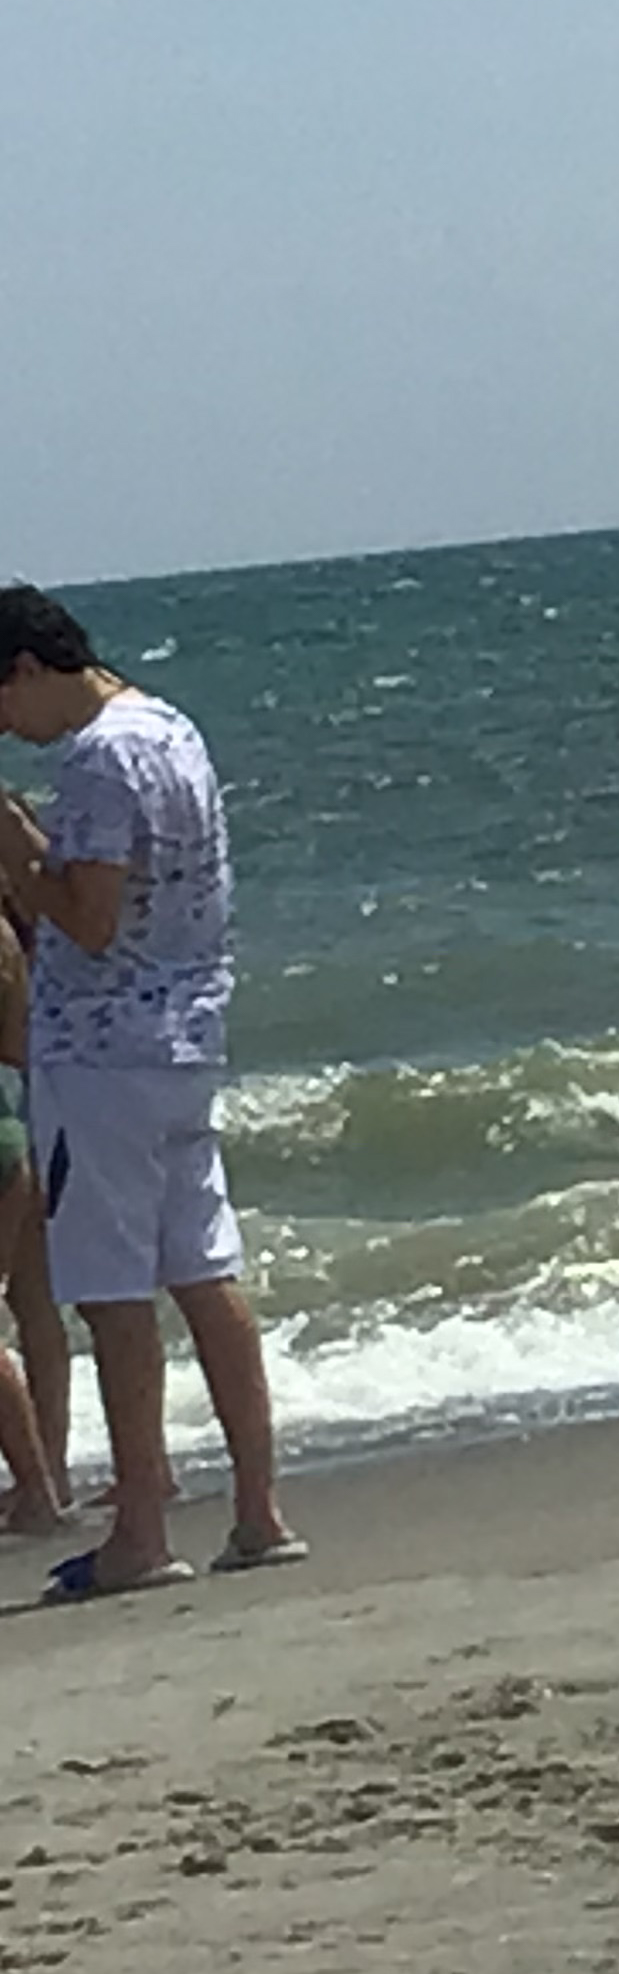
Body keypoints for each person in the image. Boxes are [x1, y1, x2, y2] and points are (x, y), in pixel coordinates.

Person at [0, 584, 300, 1598]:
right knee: (204, 1271)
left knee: (113, 1292)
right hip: (182, 1034)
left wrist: (12, 840)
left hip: (101, 1051)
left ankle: (139, 1530)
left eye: (4, 702)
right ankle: (257, 1510)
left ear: (32, 670)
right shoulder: (171, 729)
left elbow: (83, 918)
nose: (9, 725)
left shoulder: (96, 755)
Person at [0, 910, 72, 1531]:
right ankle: (48, 1474)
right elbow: (20, 1047)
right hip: (23, 1122)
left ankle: (37, 1486)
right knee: (35, 1305)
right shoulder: (14, 936)